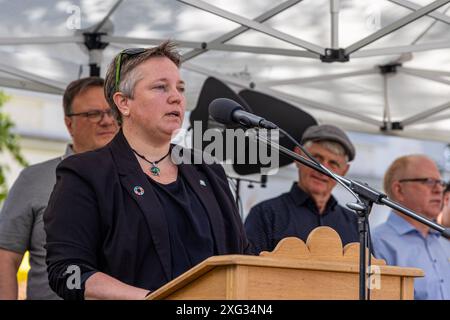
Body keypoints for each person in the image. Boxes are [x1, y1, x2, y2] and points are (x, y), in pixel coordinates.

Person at [44, 41, 250, 300]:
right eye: (160, 87)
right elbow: (68, 272)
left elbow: (242, 255)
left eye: (180, 88)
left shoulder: (208, 170)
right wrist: (153, 299)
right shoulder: (86, 174)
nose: (176, 96)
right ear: (123, 103)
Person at [0, 77, 118, 300]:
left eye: (111, 112)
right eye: (93, 114)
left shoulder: (138, 177)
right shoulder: (34, 179)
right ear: (69, 123)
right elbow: (5, 256)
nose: (106, 121)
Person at [245, 124, 359, 254]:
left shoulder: (355, 223)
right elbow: (246, 270)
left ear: (344, 171)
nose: (323, 170)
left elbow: (372, 272)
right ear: (298, 156)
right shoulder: (266, 215)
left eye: (333, 164)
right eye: (316, 159)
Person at [372, 155, 450, 300]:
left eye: (440, 183)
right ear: (399, 190)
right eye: (429, 181)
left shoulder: (444, 240)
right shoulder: (377, 242)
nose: (438, 189)